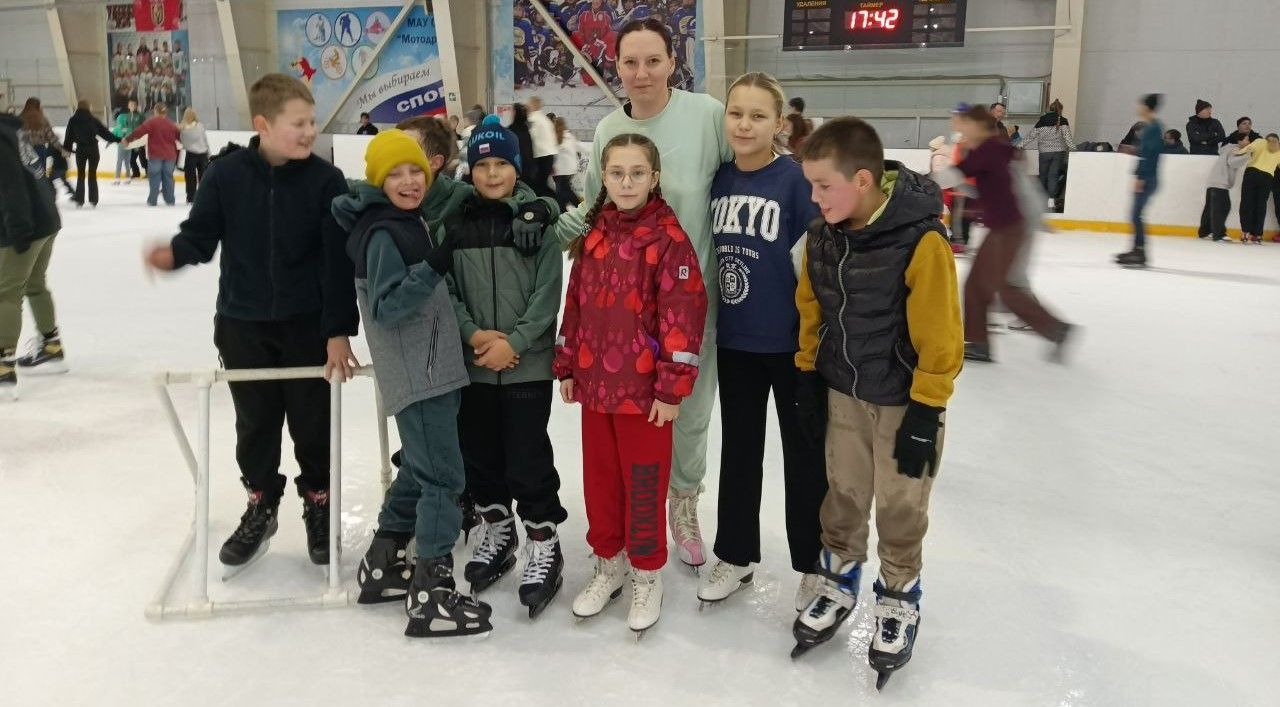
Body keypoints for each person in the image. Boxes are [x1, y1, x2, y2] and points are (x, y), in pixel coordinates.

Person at [142, 74, 355, 571]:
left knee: (312, 422)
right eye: (298, 123)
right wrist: (174, 255)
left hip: (306, 325)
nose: (310, 131)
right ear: (263, 124)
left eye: (312, 122)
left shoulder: (327, 181)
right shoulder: (226, 176)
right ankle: (261, 501)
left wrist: (337, 331)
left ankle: (318, 502)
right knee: (255, 423)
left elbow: (337, 263)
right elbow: (201, 236)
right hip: (242, 324)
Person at [549, 18, 733, 571]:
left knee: (690, 413)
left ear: (673, 62)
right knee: (634, 425)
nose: (642, 72)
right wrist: (565, 228)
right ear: (616, 67)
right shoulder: (610, 127)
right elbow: (598, 206)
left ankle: (684, 503)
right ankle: (632, 521)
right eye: (630, 62)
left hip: (690, 303)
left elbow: (745, 175)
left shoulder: (707, 116)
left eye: (653, 60)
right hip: (627, 312)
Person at [789, 117, 962, 684]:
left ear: (862, 180)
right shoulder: (823, 234)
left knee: (900, 505)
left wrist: (927, 409)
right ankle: (838, 578)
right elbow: (811, 306)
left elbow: (941, 331)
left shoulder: (921, 240)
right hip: (843, 390)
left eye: (823, 186)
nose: (815, 198)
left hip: (904, 402)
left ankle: (899, 592)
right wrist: (808, 374)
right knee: (843, 493)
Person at [334, 130, 494, 636]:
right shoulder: (384, 232)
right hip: (419, 375)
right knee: (444, 480)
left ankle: (382, 565)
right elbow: (386, 308)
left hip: (431, 369)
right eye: (396, 174)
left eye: (415, 171)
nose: (409, 181)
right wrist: (434, 264)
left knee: (420, 472)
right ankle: (431, 594)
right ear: (378, 181)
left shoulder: (405, 219)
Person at [555, 132, 708, 635]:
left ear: (654, 178)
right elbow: (575, 302)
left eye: (637, 173)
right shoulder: (594, 233)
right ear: (603, 176)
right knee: (600, 482)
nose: (626, 182)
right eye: (617, 173)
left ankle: (646, 572)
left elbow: (684, 314)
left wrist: (671, 387)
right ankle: (609, 564)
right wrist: (567, 363)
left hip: (644, 395)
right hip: (596, 385)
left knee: (642, 483)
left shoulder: (668, 238)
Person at [696, 72, 827, 611]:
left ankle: (813, 564)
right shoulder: (717, 179)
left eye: (757, 116)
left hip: (793, 348)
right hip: (736, 342)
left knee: (804, 457)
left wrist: (815, 343)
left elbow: (818, 269)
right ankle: (735, 554)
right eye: (736, 113)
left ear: (779, 124)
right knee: (740, 451)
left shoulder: (796, 182)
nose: (744, 125)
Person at [430, 116, 566, 617]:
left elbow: (548, 293)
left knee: (527, 457)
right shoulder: (455, 223)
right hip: (476, 365)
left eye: (501, 164)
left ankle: (543, 539)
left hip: (527, 365)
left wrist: (518, 341)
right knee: (481, 455)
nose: (492, 174)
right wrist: (473, 334)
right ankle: (498, 527)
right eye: (483, 165)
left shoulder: (537, 224)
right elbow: (446, 289)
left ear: (517, 167)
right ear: (470, 169)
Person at [942, 106, 1073, 362]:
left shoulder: (988, 149)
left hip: (1008, 228)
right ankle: (980, 342)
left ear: (977, 126)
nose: (959, 130)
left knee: (1001, 287)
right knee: (980, 285)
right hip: (1004, 227)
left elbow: (954, 174)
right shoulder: (998, 149)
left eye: (963, 124)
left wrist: (915, 180)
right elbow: (991, 186)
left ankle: (1055, 329)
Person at [0, 112, 65, 399]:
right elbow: (36, 173)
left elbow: (11, 186)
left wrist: (18, 230)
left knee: (6, 293)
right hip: (46, 218)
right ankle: (51, 346)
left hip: (26, 223)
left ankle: (3, 368)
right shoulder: (11, 131)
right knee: (35, 284)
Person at [1116, 94, 1164, 267]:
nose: (1138, 108)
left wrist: (1141, 177)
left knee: (1136, 214)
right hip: (1148, 176)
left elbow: (1150, 155)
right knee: (1136, 214)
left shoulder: (1153, 128)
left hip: (1148, 178)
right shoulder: (1153, 127)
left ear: (1146, 107)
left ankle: (1140, 251)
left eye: (1141, 105)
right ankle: (1137, 249)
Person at [1020, 99, 1074, 212]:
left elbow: (1031, 136)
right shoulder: (1063, 121)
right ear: (1060, 110)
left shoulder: (1042, 120)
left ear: (1050, 109)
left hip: (1044, 153)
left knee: (1043, 176)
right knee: (1053, 176)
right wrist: (1075, 149)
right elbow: (1068, 138)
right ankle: (1051, 201)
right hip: (1059, 153)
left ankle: (1040, 201)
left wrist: (1019, 145)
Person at [62, 99, 119, 208]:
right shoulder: (93, 120)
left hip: (81, 150)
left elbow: (68, 137)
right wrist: (118, 139)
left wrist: (66, 150)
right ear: (88, 107)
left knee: (81, 175)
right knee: (92, 174)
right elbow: (105, 133)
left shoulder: (73, 120)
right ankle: (93, 200)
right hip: (93, 150)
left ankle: (79, 200)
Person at [124, 104, 181, 206]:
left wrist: (128, 139)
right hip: (170, 155)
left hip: (156, 155)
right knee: (168, 177)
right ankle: (170, 200)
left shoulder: (152, 122)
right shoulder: (171, 124)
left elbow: (139, 131)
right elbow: (179, 137)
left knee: (155, 177)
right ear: (165, 112)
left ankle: (152, 200)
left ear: (155, 111)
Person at [1199, 133, 1250, 242]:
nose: (1248, 142)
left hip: (1213, 182)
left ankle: (1204, 232)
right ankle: (1219, 234)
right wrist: (1248, 155)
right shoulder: (1235, 149)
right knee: (1223, 207)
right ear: (1239, 141)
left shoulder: (1227, 149)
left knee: (1210, 208)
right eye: (1246, 139)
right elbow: (1233, 162)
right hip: (1220, 183)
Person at [1235, 132, 1280, 244]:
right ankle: (1258, 234)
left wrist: (1237, 152)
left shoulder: (1260, 142)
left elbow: (1247, 149)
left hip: (1252, 174)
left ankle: (1245, 232)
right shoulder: (1279, 150)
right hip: (1267, 178)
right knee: (1261, 205)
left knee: (1246, 203)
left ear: (1266, 138)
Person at [525, 96, 558, 197]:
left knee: (536, 185)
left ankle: (552, 201)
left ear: (533, 105)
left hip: (540, 156)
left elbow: (530, 136)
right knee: (542, 184)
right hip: (550, 155)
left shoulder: (532, 118)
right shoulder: (546, 120)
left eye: (528, 105)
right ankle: (554, 200)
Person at [178, 108, 209, 204]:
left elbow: (183, 142)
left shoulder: (183, 128)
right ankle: (204, 196)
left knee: (190, 177)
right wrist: (208, 152)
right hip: (203, 153)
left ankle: (191, 197)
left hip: (191, 154)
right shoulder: (200, 126)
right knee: (203, 177)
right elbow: (205, 140)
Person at [552, 115, 582, 212]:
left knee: (563, 191)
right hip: (568, 169)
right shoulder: (568, 136)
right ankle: (565, 210)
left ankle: (578, 208)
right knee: (563, 191)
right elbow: (579, 147)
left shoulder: (559, 137)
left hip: (563, 170)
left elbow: (554, 152)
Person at [118, 99, 147, 178]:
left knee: (143, 158)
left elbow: (145, 127)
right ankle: (136, 173)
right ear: (128, 106)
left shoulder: (141, 116)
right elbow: (125, 128)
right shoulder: (126, 116)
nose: (133, 106)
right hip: (131, 141)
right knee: (131, 159)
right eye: (131, 105)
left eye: (134, 105)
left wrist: (144, 139)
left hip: (140, 140)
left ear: (137, 106)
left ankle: (148, 173)